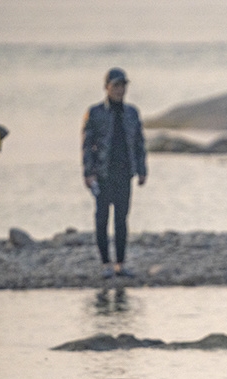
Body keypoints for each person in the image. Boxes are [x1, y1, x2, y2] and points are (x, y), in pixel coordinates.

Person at [82, 67, 147, 278]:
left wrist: (142, 170)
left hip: (125, 173)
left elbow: (139, 143)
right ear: (106, 87)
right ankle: (105, 264)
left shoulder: (131, 113)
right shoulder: (95, 112)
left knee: (121, 219)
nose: (120, 90)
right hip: (102, 173)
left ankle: (120, 263)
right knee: (101, 219)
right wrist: (88, 172)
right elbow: (86, 144)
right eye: (116, 86)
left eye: (123, 86)